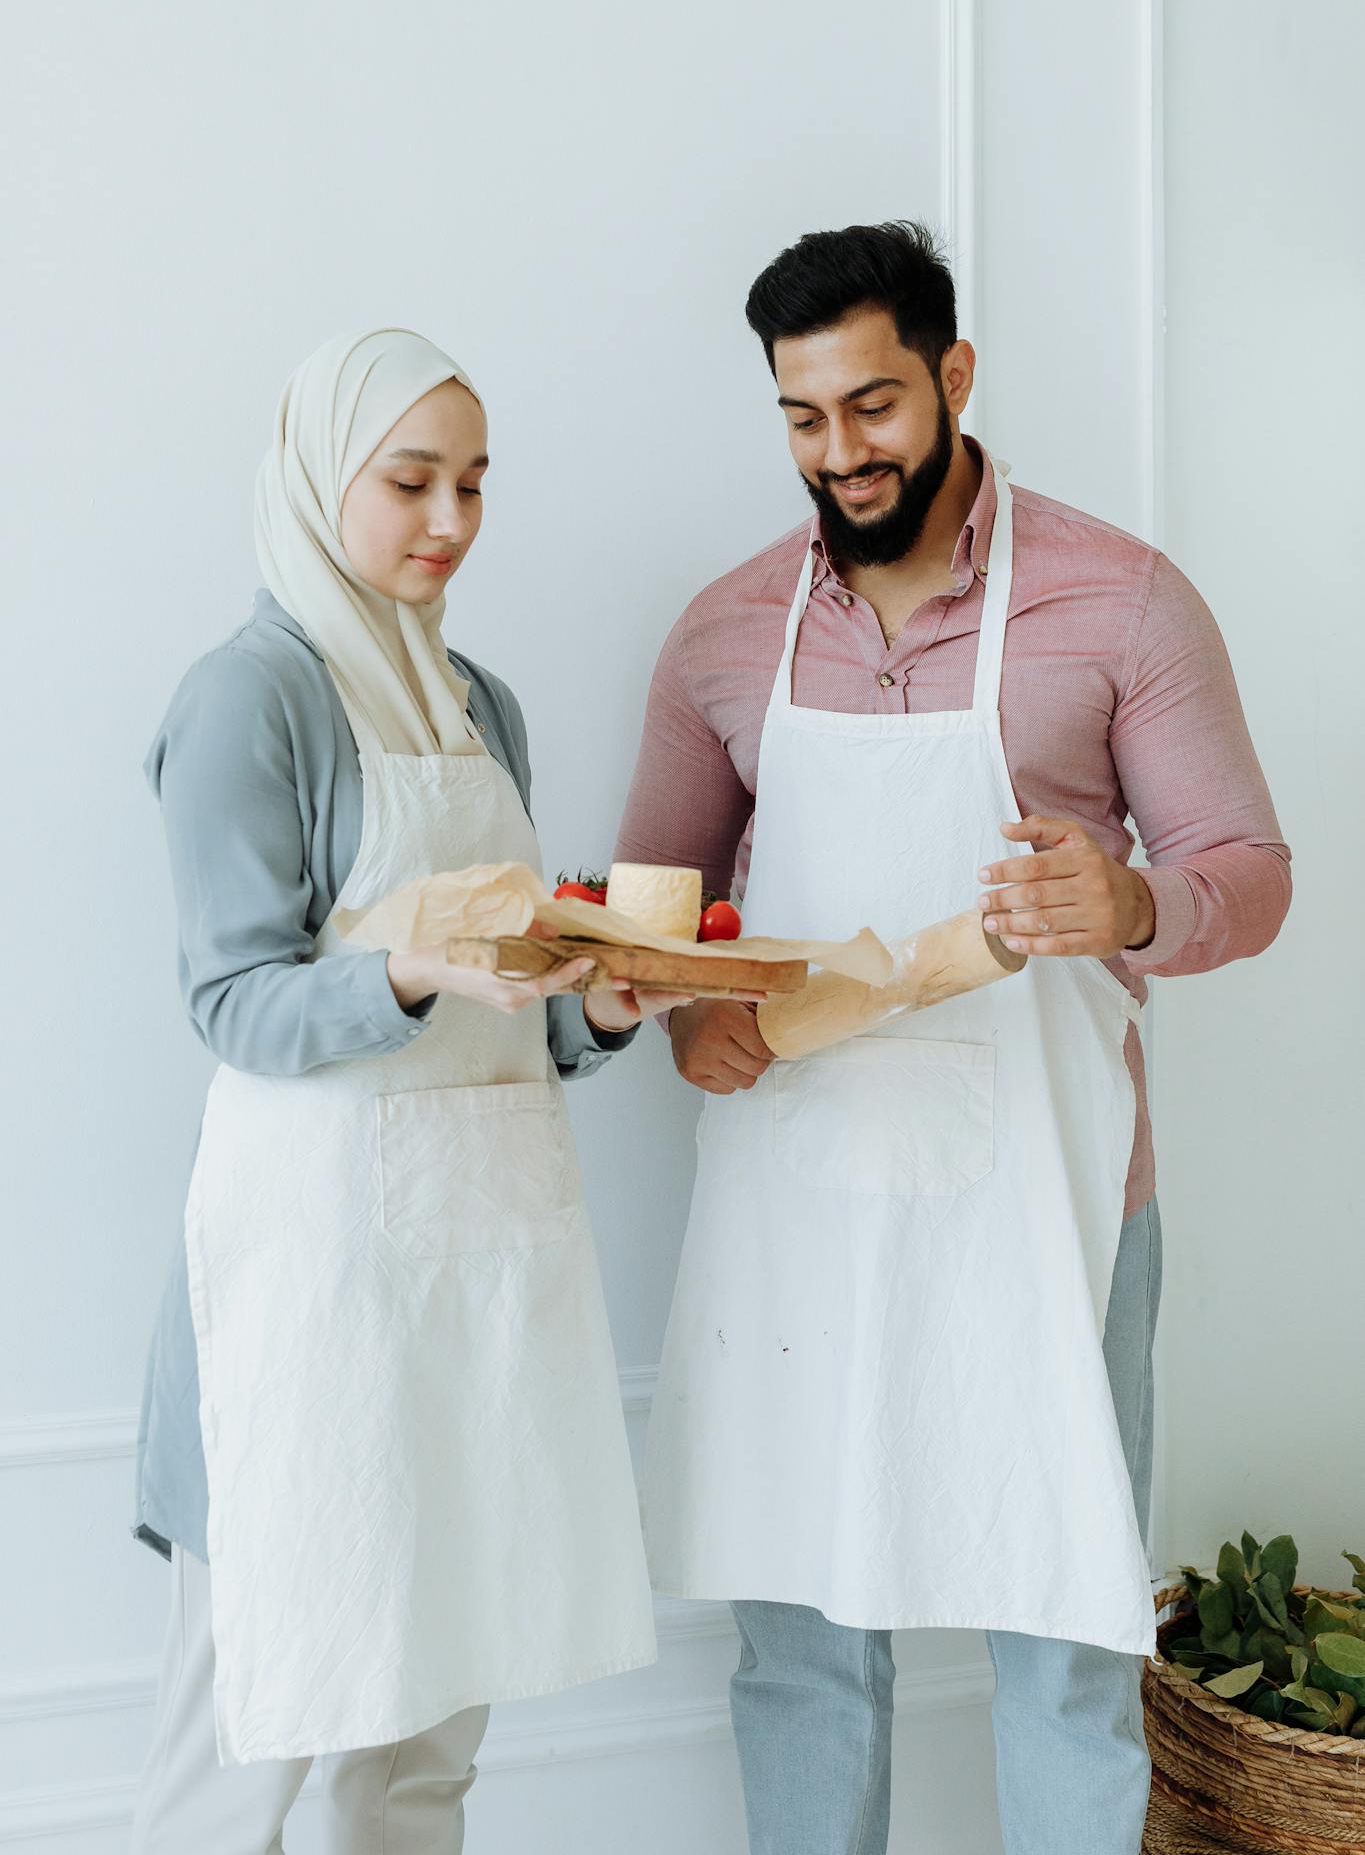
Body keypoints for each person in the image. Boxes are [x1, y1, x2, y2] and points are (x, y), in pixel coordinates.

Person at [616, 224, 1291, 1855]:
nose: (840, 454)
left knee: (1061, 1627)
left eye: (872, 406)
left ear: (954, 374)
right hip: (800, 1198)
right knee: (798, 1650)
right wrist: (683, 1015)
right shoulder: (722, 635)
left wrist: (1127, 908)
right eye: (801, 418)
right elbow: (659, 913)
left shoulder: (1118, 598)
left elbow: (1245, 876)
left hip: (1053, 1202)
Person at [130, 328, 679, 1853]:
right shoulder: (250, 699)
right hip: (305, 1302)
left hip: (475, 1286)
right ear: (321, 481)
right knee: (246, 1754)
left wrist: (602, 1007)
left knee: (424, 1760)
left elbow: (508, 1015)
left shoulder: (477, 703)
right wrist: (415, 970)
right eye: (411, 482)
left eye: (474, 486)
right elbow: (232, 1000)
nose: (450, 523)